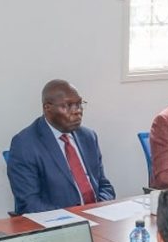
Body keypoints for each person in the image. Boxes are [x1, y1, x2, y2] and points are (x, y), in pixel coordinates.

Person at [7, 79, 115, 214]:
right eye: (68, 106)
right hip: (60, 222)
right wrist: (75, 217)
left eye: (79, 104)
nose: (77, 111)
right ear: (47, 108)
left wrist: (100, 208)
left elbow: (104, 185)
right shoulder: (25, 144)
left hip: (98, 216)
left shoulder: (88, 137)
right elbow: (30, 203)